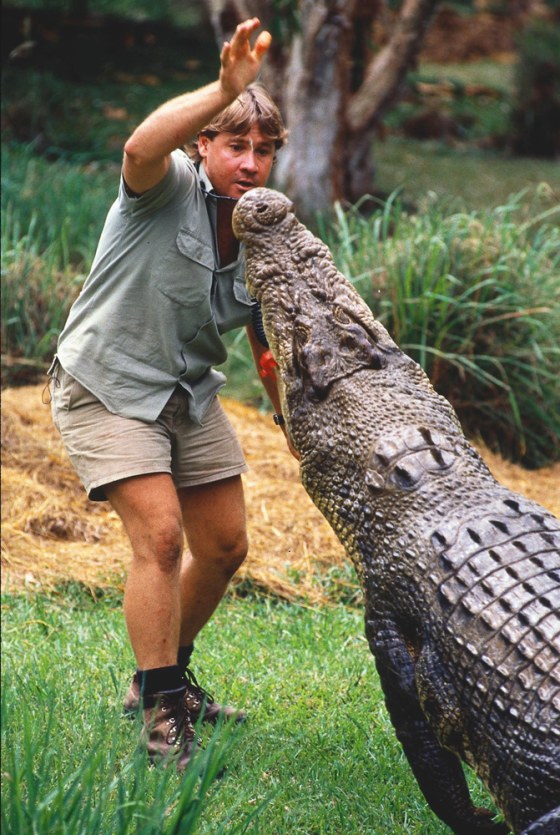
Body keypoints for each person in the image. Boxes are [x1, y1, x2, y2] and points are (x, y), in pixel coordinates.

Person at [48, 17, 291, 770]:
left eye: (263, 150)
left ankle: (164, 678)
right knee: (159, 536)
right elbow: (136, 146)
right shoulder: (162, 189)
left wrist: (290, 410)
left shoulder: (262, 229)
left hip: (187, 394)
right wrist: (224, 89)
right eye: (235, 145)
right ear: (204, 147)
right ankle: (162, 719)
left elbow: (266, 335)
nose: (250, 164)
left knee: (224, 545)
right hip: (108, 384)